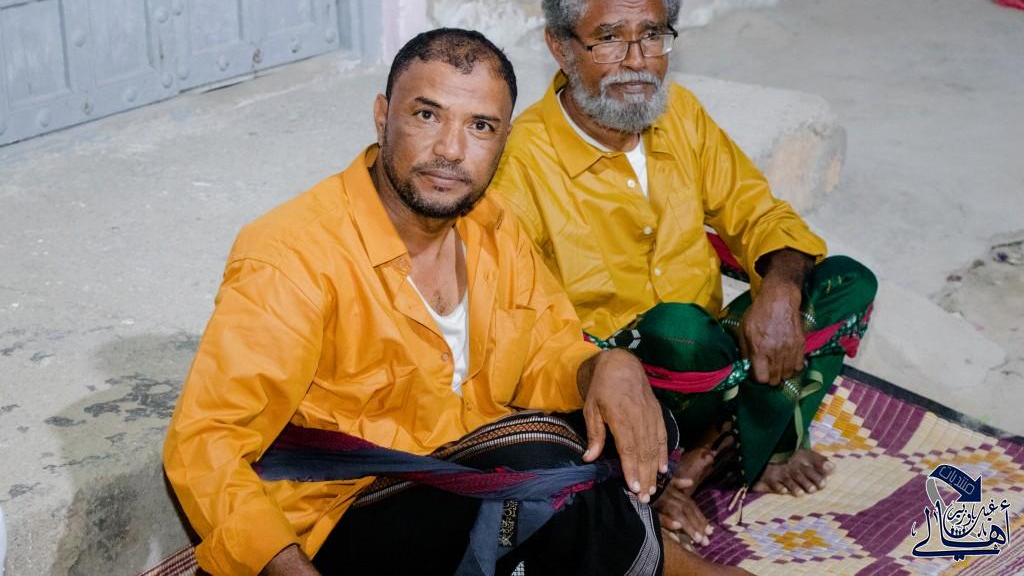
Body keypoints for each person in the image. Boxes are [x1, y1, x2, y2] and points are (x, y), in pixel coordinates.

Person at [164, 28, 744, 576]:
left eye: (480, 126)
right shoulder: (292, 255)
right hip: (342, 515)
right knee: (544, 473)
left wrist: (604, 366)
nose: (450, 150)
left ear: (503, 142)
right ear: (381, 116)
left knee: (600, 422)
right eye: (426, 115)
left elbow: (545, 351)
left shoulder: (492, 227)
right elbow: (206, 442)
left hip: (463, 485)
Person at [491, 0, 878, 549]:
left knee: (846, 282)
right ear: (560, 47)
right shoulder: (521, 163)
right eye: (608, 39)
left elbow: (758, 211)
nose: (636, 61)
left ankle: (712, 448)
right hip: (618, 378)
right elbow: (523, 325)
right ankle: (716, 448)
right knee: (677, 330)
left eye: (652, 35)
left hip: (713, 356)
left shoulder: (682, 116)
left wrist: (779, 289)